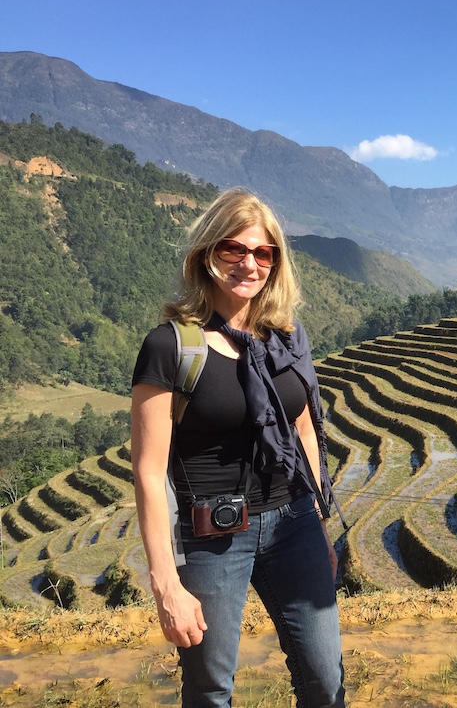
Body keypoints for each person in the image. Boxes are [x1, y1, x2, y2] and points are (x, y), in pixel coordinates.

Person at [131, 188, 347, 707]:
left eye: (263, 253)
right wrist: (167, 586)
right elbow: (147, 471)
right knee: (211, 691)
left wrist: (318, 523)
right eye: (234, 249)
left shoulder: (286, 337)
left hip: (293, 519)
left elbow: (304, 429)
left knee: (324, 680)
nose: (249, 264)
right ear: (207, 254)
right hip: (212, 532)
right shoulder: (171, 347)